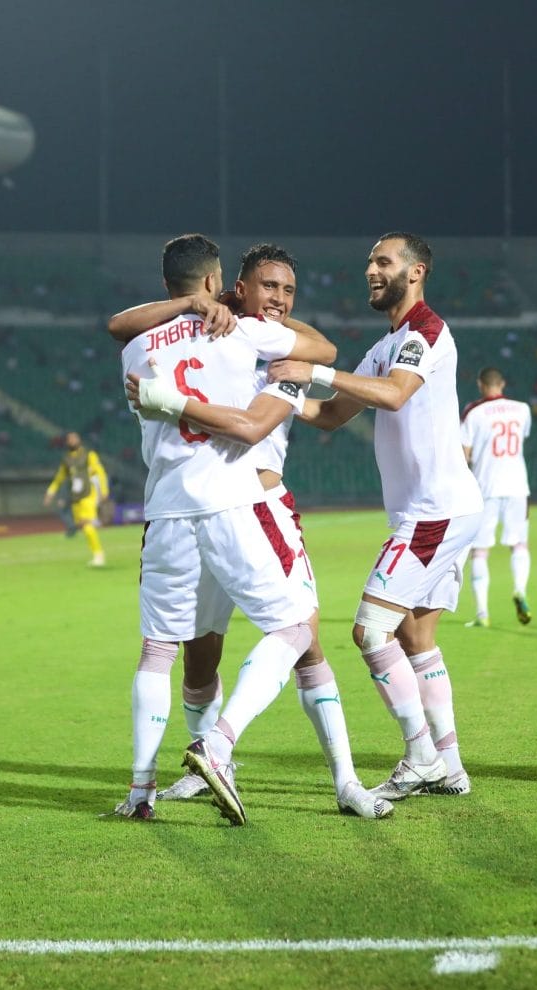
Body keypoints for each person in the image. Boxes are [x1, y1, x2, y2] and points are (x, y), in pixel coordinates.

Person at [111, 232, 391, 825]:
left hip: (224, 508)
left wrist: (312, 369)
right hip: (234, 504)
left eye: (290, 289)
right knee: (200, 659)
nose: (281, 298)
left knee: (303, 639)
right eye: (269, 286)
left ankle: (343, 779)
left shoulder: (147, 346)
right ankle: (216, 758)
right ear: (230, 286)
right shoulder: (245, 336)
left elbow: (120, 325)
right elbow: (316, 359)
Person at [263, 232, 484, 799]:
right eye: (369, 261)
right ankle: (450, 764)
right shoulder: (386, 345)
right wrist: (280, 392)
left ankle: (420, 756)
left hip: (435, 513)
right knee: (415, 635)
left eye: (383, 261)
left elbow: (393, 395)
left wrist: (314, 372)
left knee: (369, 629)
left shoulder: (426, 332)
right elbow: (334, 414)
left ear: (416, 273)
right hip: (434, 511)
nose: (370, 270)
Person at [459, 366, 533, 627]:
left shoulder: (473, 412)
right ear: (502, 384)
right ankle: (520, 590)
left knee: (480, 552)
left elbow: (464, 454)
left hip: (485, 488)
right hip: (517, 487)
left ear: (481, 385)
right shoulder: (522, 409)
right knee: (519, 544)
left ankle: (482, 614)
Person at [42, 432, 109, 565]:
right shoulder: (66, 459)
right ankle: (96, 554)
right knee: (83, 526)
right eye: (70, 439)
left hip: (88, 494)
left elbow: (100, 471)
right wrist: (50, 492)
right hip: (76, 497)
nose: (73, 441)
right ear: (67, 442)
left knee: (86, 523)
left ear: (79, 440)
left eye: (75, 438)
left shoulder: (89, 455)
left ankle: (99, 556)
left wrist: (104, 490)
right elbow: (59, 478)